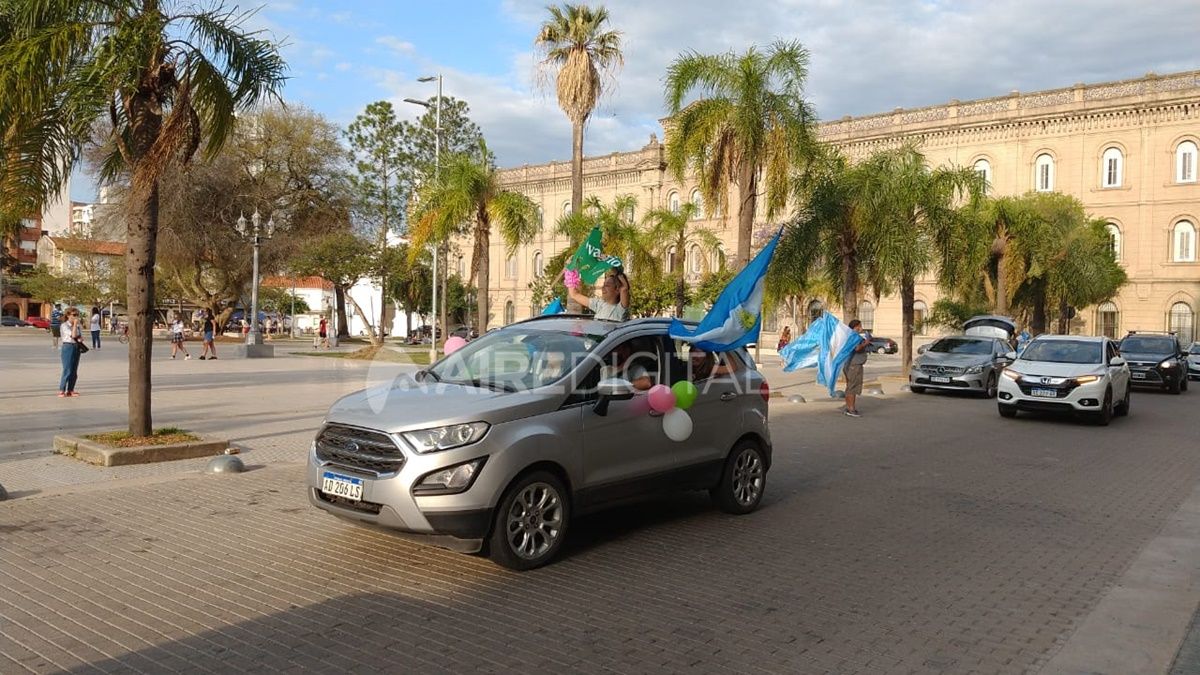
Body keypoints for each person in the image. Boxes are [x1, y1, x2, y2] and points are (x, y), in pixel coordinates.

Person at [565, 268, 630, 321]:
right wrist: (571, 271)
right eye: (603, 285)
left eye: (607, 285)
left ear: (617, 289)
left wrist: (618, 274)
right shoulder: (599, 304)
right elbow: (574, 295)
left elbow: (624, 289)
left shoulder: (620, 309)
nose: (603, 288)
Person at [842, 319, 871, 418]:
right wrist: (866, 343)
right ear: (856, 327)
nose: (861, 328)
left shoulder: (849, 336)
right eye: (860, 326)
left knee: (849, 387)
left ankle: (849, 407)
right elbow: (857, 348)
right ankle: (851, 409)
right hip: (854, 366)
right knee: (852, 388)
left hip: (850, 365)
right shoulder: (853, 336)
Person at [57, 307, 83, 397]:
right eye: (74, 315)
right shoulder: (64, 325)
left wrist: (80, 338)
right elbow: (73, 335)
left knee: (74, 370)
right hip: (68, 346)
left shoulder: (78, 326)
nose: (76, 317)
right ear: (68, 315)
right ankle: (62, 389)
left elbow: (79, 336)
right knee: (67, 369)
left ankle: (70, 390)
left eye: (77, 315)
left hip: (76, 347)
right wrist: (75, 324)